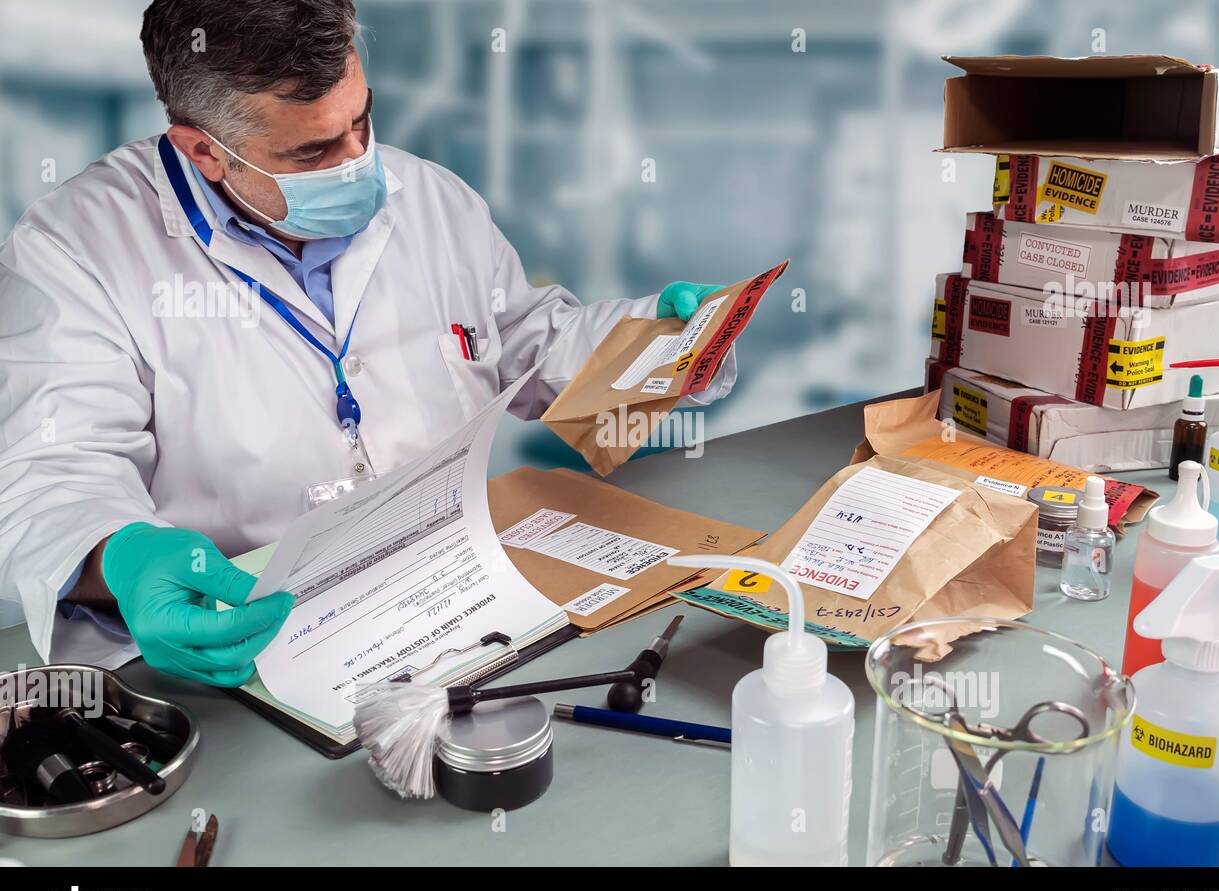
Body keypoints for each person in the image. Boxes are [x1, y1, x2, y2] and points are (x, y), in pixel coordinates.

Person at [0, 0, 734, 686]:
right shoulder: (75, 249)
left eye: (363, 121)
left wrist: (659, 345)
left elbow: (525, 345)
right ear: (204, 151)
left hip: (447, 599)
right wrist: (120, 555)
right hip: (248, 642)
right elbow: (53, 465)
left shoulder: (431, 198)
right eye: (315, 151)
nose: (359, 162)